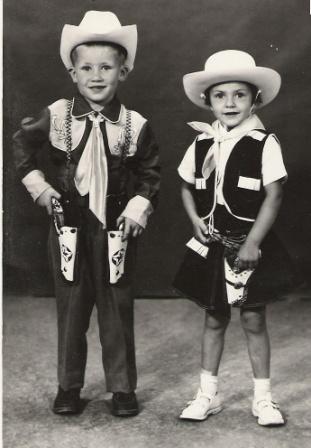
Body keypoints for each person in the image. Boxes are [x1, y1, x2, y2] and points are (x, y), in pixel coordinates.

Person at [13, 11, 160, 417]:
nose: (97, 76)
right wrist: (40, 188)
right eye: (87, 68)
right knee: (72, 308)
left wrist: (136, 209)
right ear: (73, 73)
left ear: (123, 72)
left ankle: (122, 388)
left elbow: (151, 174)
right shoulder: (57, 115)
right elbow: (21, 148)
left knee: (117, 309)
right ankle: (68, 386)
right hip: (68, 226)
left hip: (115, 230)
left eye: (107, 67)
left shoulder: (134, 124)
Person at [173, 50, 297, 426]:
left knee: (254, 320)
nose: (229, 103)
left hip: (249, 243)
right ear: (207, 100)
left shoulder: (263, 142)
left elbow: (274, 195)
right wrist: (195, 219)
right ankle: (207, 395)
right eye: (220, 95)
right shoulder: (201, 143)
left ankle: (264, 400)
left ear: (254, 99)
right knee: (213, 320)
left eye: (239, 95)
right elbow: (184, 186)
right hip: (213, 243)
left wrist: (253, 242)